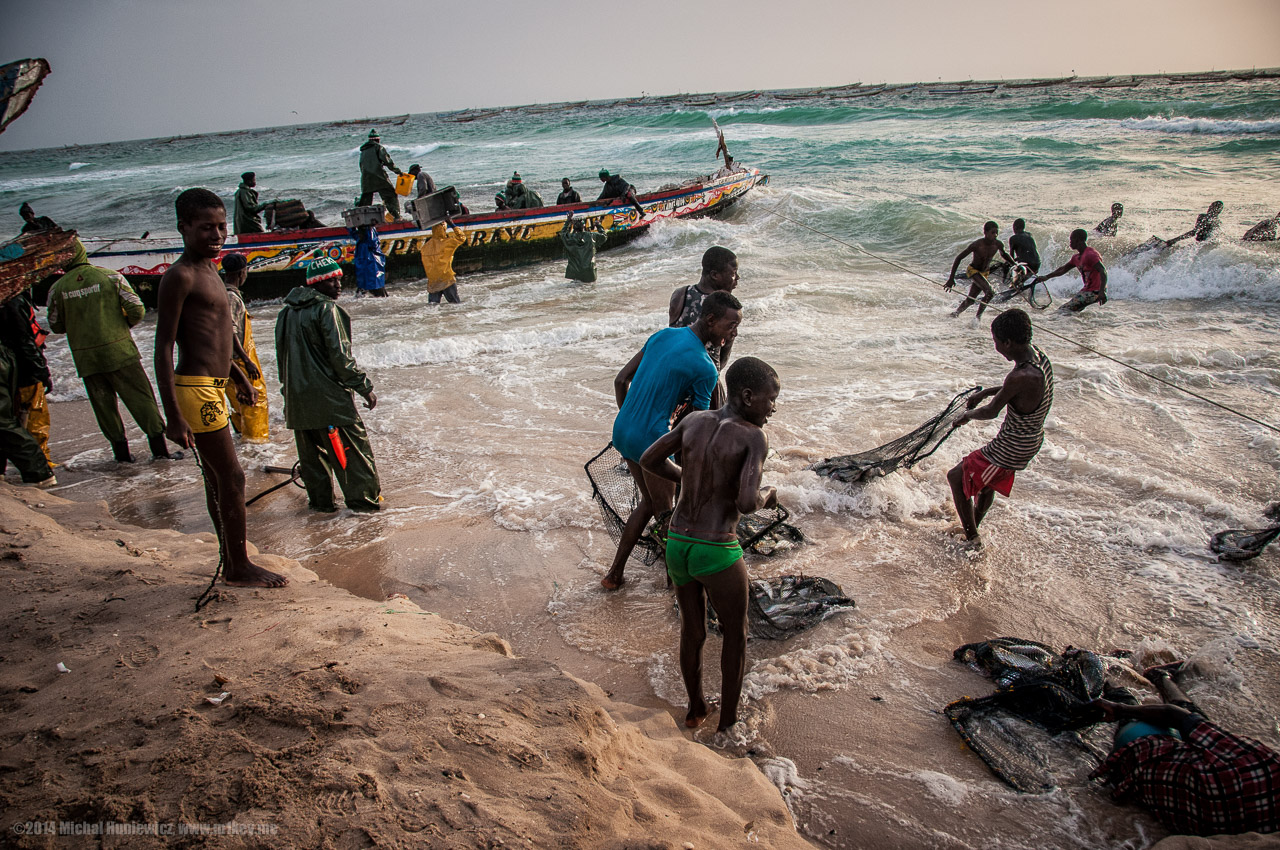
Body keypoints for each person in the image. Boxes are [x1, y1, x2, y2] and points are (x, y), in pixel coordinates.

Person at [154, 188, 287, 588]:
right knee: (231, 477)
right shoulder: (180, 276)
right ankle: (239, 566)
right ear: (183, 228)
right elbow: (164, 345)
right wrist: (172, 415)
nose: (216, 234)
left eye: (221, 226)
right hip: (195, 388)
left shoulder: (210, 270)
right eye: (206, 227)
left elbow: (215, 336)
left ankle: (231, 558)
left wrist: (239, 374)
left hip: (216, 383)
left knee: (218, 479)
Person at [640, 356, 779, 732]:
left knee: (693, 630)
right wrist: (769, 496)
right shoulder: (754, 436)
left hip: (678, 544)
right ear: (748, 396)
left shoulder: (694, 420)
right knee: (736, 634)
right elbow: (748, 503)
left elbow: (649, 457)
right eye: (771, 399)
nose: (773, 408)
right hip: (716, 549)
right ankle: (728, 723)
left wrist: (686, 479)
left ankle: (695, 707)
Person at [602, 290, 743, 590]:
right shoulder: (705, 366)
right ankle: (676, 591)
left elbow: (620, 380)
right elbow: (699, 426)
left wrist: (632, 418)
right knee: (671, 519)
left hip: (623, 429)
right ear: (710, 319)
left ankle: (614, 575)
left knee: (650, 505)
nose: (734, 334)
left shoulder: (663, 335)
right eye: (730, 326)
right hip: (652, 442)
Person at [1089, 664, 1280, 836]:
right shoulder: (1269, 828)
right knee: (1198, 727)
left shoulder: (1264, 763)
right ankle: (1155, 679)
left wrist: (1119, 709)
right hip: (1162, 802)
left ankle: (1155, 677)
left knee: (1189, 717)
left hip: (1140, 757)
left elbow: (1176, 716)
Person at [47, 238, 181, 463]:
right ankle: (160, 452)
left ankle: (122, 456)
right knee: (141, 399)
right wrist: (120, 326)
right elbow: (136, 309)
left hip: (85, 356)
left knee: (103, 406)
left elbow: (55, 325)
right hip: (120, 351)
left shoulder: (57, 288)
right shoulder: (109, 277)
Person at [275, 257, 382, 513]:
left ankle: (321, 506)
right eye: (331, 280)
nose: (338, 284)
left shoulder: (286, 314)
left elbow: (282, 361)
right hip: (331, 401)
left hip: (298, 401)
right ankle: (364, 505)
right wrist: (363, 386)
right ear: (317, 285)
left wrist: (287, 395)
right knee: (354, 458)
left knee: (312, 460)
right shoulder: (327, 310)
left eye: (339, 278)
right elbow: (341, 357)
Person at [946, 308, 1053, 546]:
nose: (996, 347)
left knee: (955, 477)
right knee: (986, 485)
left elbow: (991, 411)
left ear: (1008, 342)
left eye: (996, 342)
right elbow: (1015, 391)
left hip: (1013, 446)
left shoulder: (1020, 376)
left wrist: (967, 415)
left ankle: (972, 538)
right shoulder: (1037, 357)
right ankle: (975, 521)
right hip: (1029, 439)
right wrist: (987, 392)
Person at [0, 298, 56, 487]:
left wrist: (41, 372)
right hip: (20, 368)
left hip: (22, 371)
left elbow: (24, 340)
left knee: (24, 422)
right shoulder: (13, 300)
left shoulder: (11, 303)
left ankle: (42, 471)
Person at [220, 253, 269, 442]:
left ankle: (243, 441)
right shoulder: (232, 297)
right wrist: (247, 360)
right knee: (255, 400)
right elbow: (229, 331)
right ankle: (256, 442)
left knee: (238, 402)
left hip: (230, 360)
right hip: (239, 360)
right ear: (242, 272)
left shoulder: (222, 292)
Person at [669, 246, 740, 371]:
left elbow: (672, 336)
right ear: (715, 275)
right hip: (703, 378)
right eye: (734, 273)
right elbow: (721, 361)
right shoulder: (725, 309)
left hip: (674, 370)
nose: (737, 278)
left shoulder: (680, 294)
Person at [944, 221, 1015, 320]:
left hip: (984, 273)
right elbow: (958, 258)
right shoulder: (977, 245)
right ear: (985, 233)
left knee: (971, 300)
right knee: (990, 292)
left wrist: (1014, 264)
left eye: (996, 232)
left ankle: (955, 313)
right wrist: (951, 278)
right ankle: (977, 318)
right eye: (992, 232)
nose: (995, 235)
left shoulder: (998, 244)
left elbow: (1004, 254)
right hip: (973, 271)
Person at [1033, 228, 1108, 313]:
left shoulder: (1090, 255)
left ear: (1078, 239)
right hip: (1087, 290)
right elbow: (1062, 269)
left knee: (1063, 311)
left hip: (1094, 291)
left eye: (1071, 239)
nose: (1070, 242)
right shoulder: (1076, 258)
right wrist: (1046, 277)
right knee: (1071, 311)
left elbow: (1103, 271)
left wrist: (1102, 292)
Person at [357, 130, 404, 221]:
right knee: (390, 196)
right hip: (379, 177)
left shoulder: (363, 151)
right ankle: (396, 217)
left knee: (365, 201)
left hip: (366, 178)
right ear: (378, 140)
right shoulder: (379, 148)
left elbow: (361, 166)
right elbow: (388, 162)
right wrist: (398, 171)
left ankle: (361, 219)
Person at [419, 219, 468, 303]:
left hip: (433, 281)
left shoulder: (425, 247)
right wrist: (452, 224)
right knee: (455, 305)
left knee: (432, 307)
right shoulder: (447, 243)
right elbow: (462, 237)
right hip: (447, 279)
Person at [560, 211, 607, 283]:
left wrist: (568, 221)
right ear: (584, 226)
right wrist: (598, 226)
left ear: (574, 228)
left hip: (576, 273)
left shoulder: (569, 239)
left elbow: (563, 233)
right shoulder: (591, 236)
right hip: (590, 272)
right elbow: (604, 236)